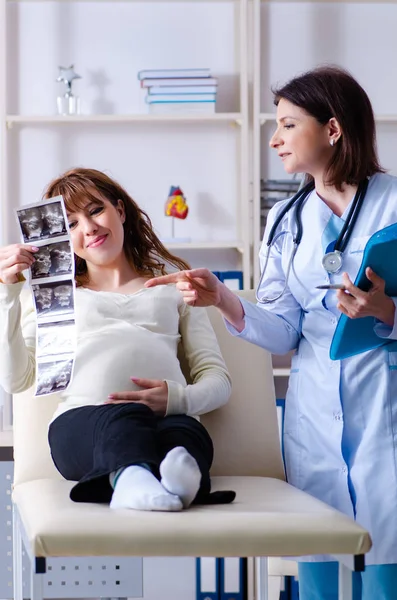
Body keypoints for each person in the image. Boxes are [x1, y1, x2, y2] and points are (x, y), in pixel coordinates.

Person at [145, 66, 397, 599]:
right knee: (316, 554)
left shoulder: (392, 203)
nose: (275, 139)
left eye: (287, 124)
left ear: (333, 129)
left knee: (384, 555)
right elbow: (284, 331)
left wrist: (387, 312)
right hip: (310, 405)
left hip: (383, 396)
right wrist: (225, 299)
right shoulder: (285, 218)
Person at [0, 167, 234, 512]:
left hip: (165, 421)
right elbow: (17, 379)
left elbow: (218, 381)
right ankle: (131, 477)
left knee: (186, 435)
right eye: (71, 224)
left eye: (95, 210)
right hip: (81, 426)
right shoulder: (56, 294)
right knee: (124, 420)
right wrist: (8, 294)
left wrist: (178, 400)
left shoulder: (174, 284)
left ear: (120, 211)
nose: (89, 227)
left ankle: (177, 481)